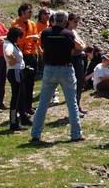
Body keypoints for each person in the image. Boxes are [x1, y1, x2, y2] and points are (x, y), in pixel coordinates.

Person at [30, 11, 83, 143]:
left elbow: (42, 46)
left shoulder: (46, 33)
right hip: (66, 69)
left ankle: (36, 133)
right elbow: (79, 47)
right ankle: (76, 133)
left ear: (53, 20)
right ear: (65, 22)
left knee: (43, 103)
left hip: (49, 69)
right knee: (72, 103)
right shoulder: (68, 34)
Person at [10, 3, 38, 125]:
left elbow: (35, 39)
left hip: (31, 54)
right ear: (22, 12)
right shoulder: (15, 24)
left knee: (31, 82)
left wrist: (38, 50)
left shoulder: (32, 24)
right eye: (28, 12)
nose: (30, 14)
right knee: (23, 85)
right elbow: (16, 40)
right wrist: (29, 38)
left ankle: (28, 106)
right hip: (21, 54)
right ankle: (21, 111)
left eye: (31, 12)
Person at [3, 27, 26, 131]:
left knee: (19, 96)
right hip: (15, 71)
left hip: (18, 71)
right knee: (16, 97)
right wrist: (13, 59)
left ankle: (18, 119)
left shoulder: (12, 44)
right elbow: (8, 53)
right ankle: (13, 121)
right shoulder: (9, 45)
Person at [67, 12, 89, 117]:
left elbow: (82, 44)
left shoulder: (74, 31)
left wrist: (82, 46)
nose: (77, 24)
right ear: (69, 21)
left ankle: (77, 106)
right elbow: (79, 46)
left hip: (80, 57)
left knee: (80, 83)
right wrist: (81, 46)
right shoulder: (68, 32)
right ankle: (74, 108)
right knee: (75, 84)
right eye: (75, 21)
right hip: (74, 59)